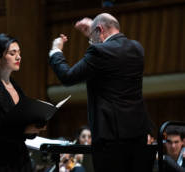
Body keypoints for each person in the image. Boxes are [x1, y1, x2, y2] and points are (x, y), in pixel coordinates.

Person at [48, 13, 152, 172]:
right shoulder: (137, 48)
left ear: (100, 29)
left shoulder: (98, 52)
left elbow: (67, 77)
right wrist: (94, 31)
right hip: (138, 135)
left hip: (110, 139)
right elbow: (111, 53)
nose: (91, 41)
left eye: (92, 36)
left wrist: (56, 51)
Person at [0, 33, 46, 172]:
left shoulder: (16, 87)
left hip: (20, 160)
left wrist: (35, 125)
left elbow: (22, 122)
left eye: (19, 53)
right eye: (12, 53)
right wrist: (22, 130)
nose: (18, 57)